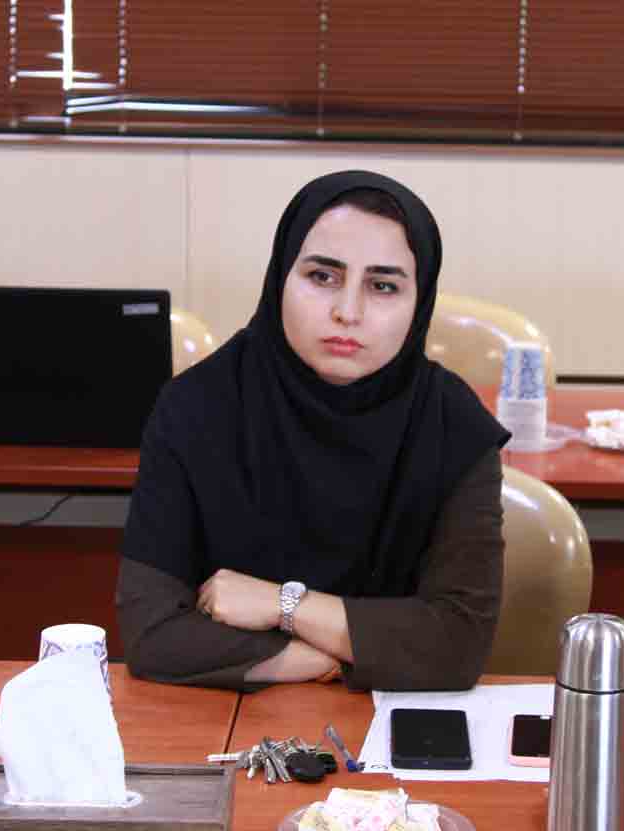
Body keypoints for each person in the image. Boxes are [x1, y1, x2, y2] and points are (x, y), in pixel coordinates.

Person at [117, 170, 510, 691]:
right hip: (224, 718)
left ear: (420, 302)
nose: (347, 312)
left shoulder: (452, 424)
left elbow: (456, 645)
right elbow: (152, 634)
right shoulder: (196, 406)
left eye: (383, 286)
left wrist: (283, 605)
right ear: (281, 275)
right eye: (322, 276)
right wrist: (335, 656)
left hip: (392, 724)